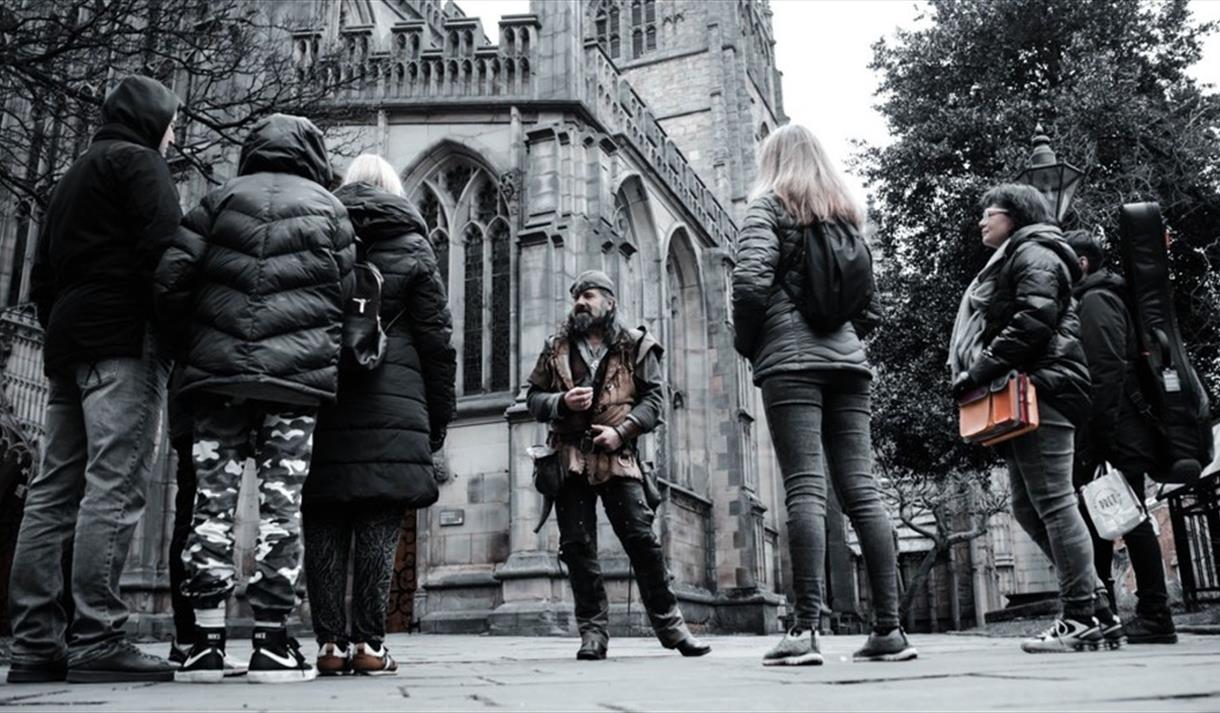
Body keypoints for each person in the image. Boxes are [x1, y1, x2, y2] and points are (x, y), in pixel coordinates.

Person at [153, 113, 355, 683]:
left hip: (217, 381)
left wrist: (194, 347)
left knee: (210, 508)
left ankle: (204, 643)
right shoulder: (330, 210)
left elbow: (171, 281)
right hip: (293, 385)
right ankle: (272, 642)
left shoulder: (216, 201)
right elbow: (345, 297)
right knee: (280, 507)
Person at [9, 75, 180, 684]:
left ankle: (33, 643)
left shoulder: (71, 177)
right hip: (122, 340)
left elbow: (42, 274)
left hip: (66, 345)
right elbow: (168, 255)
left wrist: (62, 327)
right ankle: (98, 635)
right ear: (155, 121)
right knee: (114, 484)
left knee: (52, 492)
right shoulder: (141, 165)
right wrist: (174, 336)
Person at [732, 123, 915, 666]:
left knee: (805, 489)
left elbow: (747, 282)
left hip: (790, 363)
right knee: (864, 491)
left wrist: (751, 342)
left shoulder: (767, 208)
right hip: (849, 366)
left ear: (774, 161)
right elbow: (872, 310)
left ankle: (805, 629)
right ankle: (890, 630)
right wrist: (842, 337)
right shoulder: (846, 219)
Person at [303, 153, 457, 676]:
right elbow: (438, 342)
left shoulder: (322, 234)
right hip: (396, 401)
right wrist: (439, 417)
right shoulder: (416, 246)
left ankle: (328, 644)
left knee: (323, 516)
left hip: (325, 394)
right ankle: (370, 643)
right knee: (378, 519)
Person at [949, 184, 1114, 653]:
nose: (982, 220)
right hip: (1038, 385)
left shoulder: (1034, 253)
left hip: (1045, 385)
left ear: (1015, 216)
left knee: (1054, 501)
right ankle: (1099, 607)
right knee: (1027, 505)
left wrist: (979, 371)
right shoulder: (1022, 254)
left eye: (991, 212)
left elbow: (1033, 320)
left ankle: (1079, 615)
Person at [526, 270, 710, 661]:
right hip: (569, 457)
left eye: (588, 295)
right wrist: (560, 403)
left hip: (618, 457)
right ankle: (593, 633)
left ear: (609, 301)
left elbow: (655, 401)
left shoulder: (637, 345)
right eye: (576, 295)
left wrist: (623, 431)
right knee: (577, 546)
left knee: (643, 542)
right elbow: (533, 398)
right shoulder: (555, 346)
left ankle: (673, 628)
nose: (579, 301)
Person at [1064, 229, 1177, 644]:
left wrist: (1098, 438)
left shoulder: (1096, 300)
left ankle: (1153, 615)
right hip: (1118, 427)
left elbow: (1106, 372)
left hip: (1120, 428)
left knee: (1129, 519)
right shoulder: (1097, 297)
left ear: (1081, 264)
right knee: (1103, 521)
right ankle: (1106, 613)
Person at [164, 369, 247, 677]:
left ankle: (192, 640)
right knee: (198, 518)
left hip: (194, 392)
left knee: (193, 515)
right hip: (209, 397)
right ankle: (193, 640)